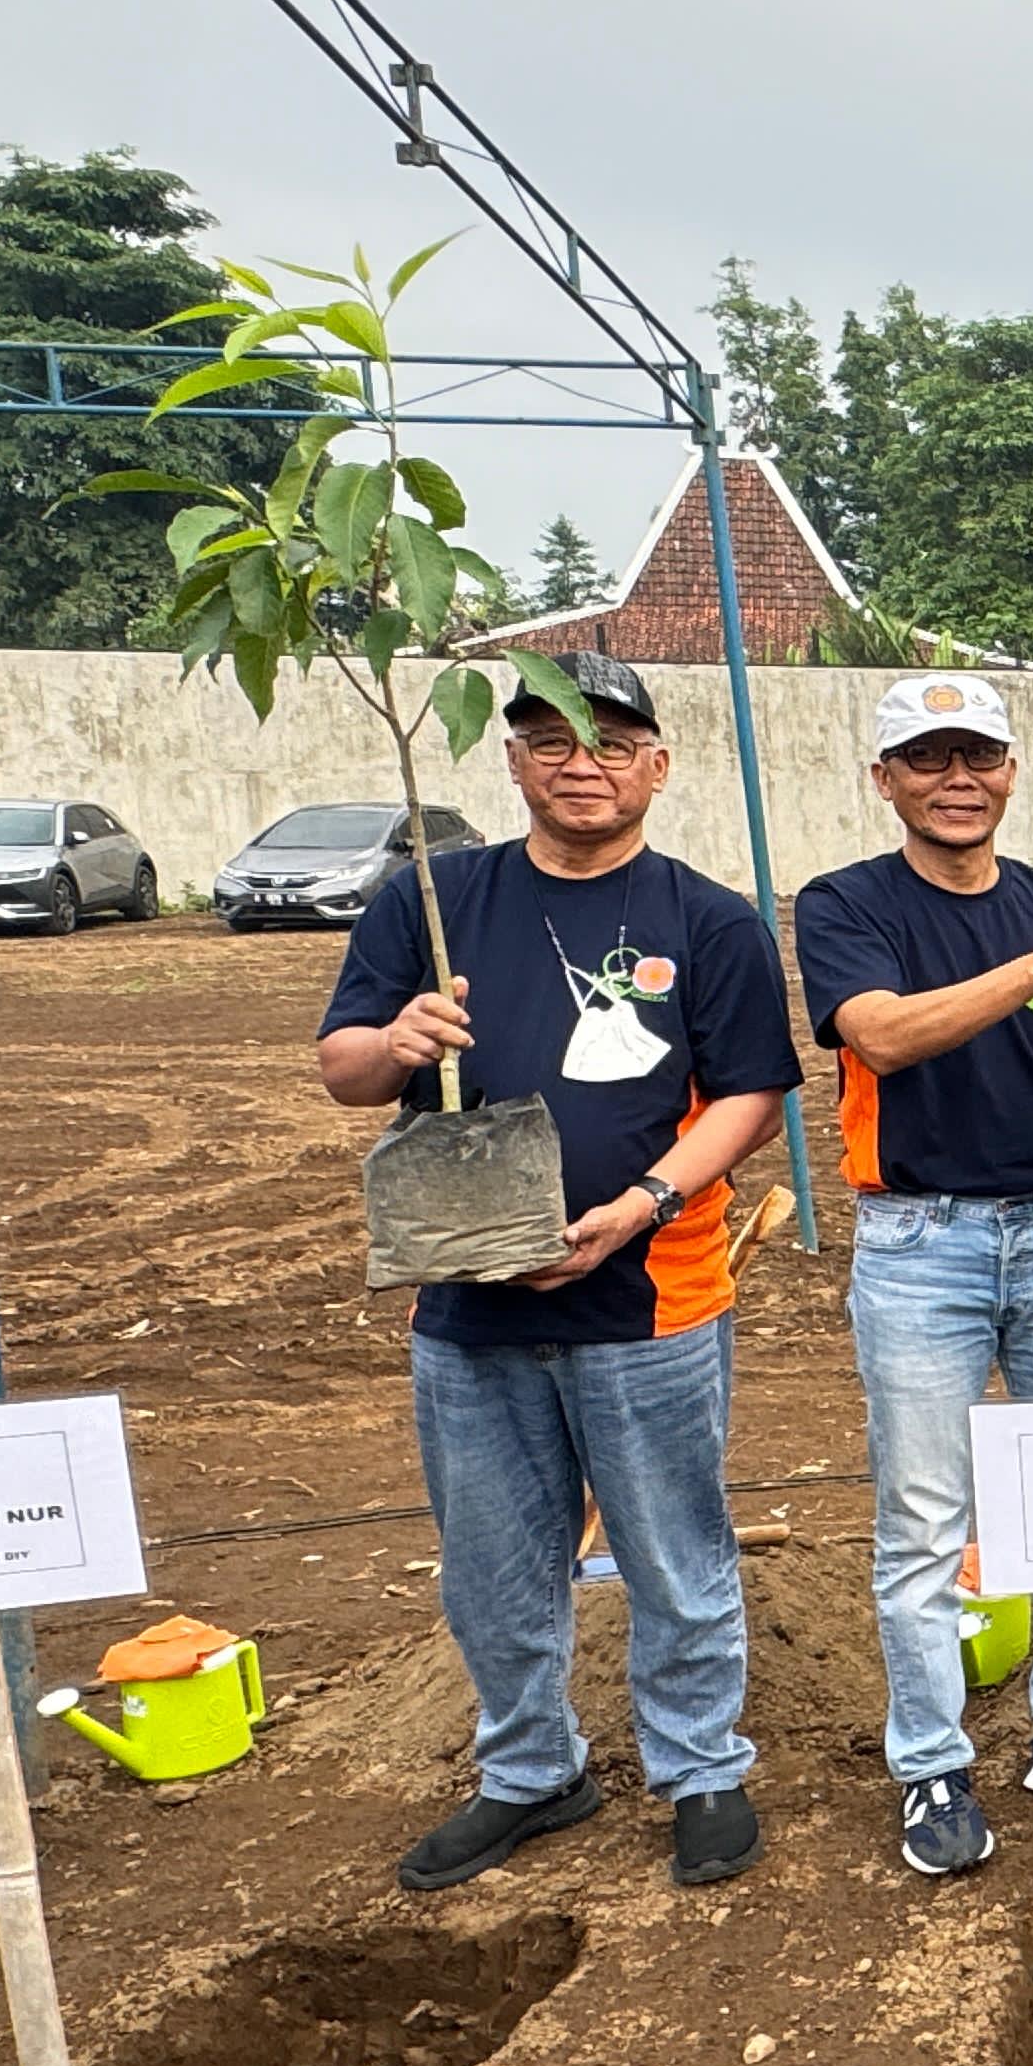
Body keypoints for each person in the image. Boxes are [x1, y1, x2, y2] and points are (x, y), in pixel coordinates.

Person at [316, 649, 801, 1893]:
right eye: (549, 739)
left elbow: (750, 1094)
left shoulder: (710, 919)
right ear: (514, 759)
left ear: (656, 765)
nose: (580, 763)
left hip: (651, 1299)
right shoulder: (433, 902)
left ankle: (701, 1769)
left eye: (608, 741)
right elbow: (346, 1070)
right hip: (463, 1298)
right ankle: (533, 1772)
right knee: (493, 1562)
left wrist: (641, 1205)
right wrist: (398, 1037)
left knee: (671, 1550)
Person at [794, 673, 1033, 1878]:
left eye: (979, 758)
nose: (958, 781)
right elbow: (882, 1035)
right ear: (887, 779)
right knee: (922, 1519)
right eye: (929, 759)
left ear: (1011, 770)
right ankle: (930, 1762)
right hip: (920, 1244)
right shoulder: (846, 904)